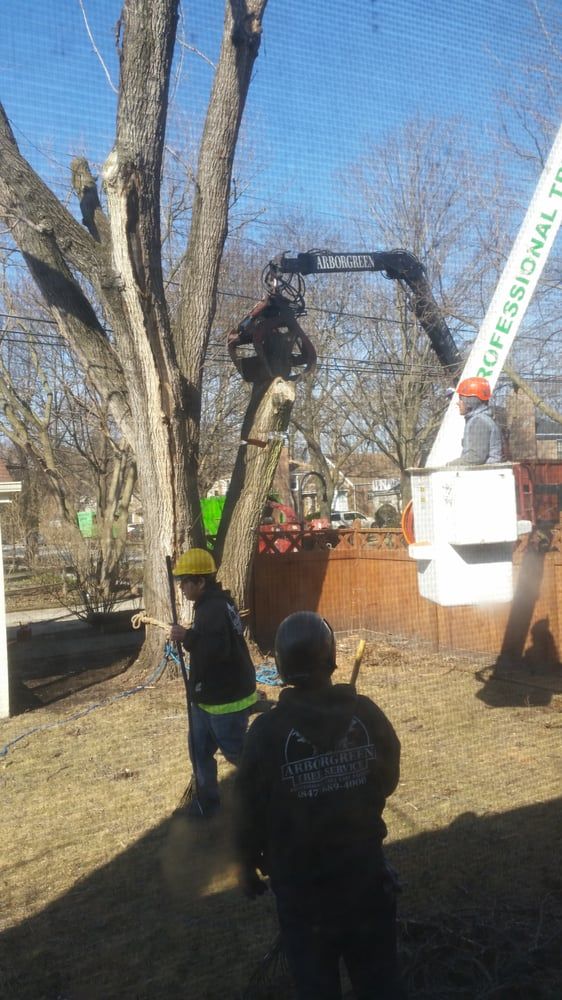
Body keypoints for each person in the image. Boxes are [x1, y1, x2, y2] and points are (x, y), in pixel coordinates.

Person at [234, 611, 403, 999]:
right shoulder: (366, 714)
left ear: (280, 667)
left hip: (302, 893)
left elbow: (247, 808)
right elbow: (387, 778)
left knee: (316, 987)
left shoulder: (266, 733)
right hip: (365, 880)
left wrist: (246, 863)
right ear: (331, 658)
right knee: (380, 983)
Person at [169, 548, 257, 818]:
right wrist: (191, 636)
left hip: (225, 699)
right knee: (199, 750)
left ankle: (268, 791)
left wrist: (187, 637)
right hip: (206, 697)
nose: (181, 587)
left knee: (236, 753)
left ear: (200, 582)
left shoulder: (214, 609)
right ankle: (207, 804)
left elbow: (217, 651)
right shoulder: (213, 605)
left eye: (185, 581)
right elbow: (211, 643)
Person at [449, 376, 503, 466]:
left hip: (484, 473)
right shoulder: (481, 419)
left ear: (470, 401)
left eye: (461, 399)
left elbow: (475, 457)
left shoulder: (479, 421)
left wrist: (449, 466)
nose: (458, 403)